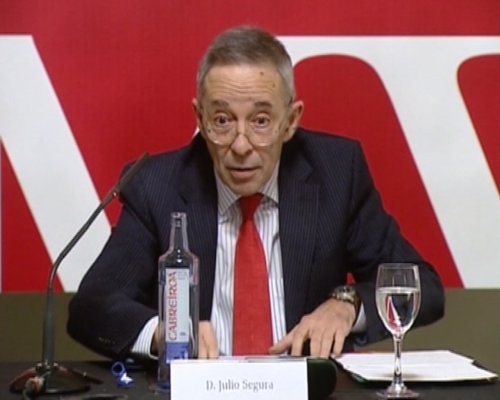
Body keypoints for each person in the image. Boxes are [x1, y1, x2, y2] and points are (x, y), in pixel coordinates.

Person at [67, 26, 445, 361]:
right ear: (200, 119)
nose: (241, 145)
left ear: (291, 120)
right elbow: (93, 306)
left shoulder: (336, 174)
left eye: (261, 121)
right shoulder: (157, 185)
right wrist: (166, 333)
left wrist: (348, 305)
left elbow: (423, 287)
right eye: (222, 121)